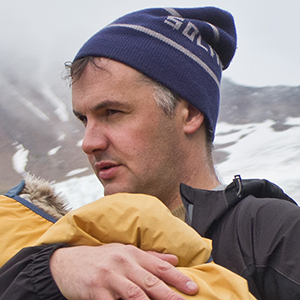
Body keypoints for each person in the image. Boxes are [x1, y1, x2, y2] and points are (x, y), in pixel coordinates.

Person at [1, 5, 300, 300]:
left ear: (190, 114)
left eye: (112, 112)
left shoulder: (272, 234)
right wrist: (52, 271)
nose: (88, 142)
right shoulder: (77, 244)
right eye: (83, 120)